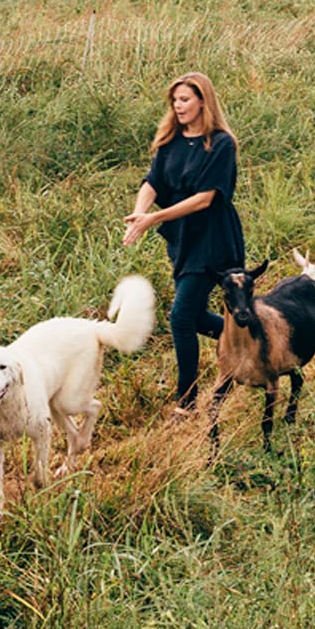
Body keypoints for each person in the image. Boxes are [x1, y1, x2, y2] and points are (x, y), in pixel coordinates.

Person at [123, 72, 245, 415]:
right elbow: (153, 183)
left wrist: (154, 220)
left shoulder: (220, 144)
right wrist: (139, 214)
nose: (178, 106)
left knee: (180, 317)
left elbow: (205, 198)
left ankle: (187, 403)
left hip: (214, 241)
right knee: (190, 318)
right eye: (175, 100)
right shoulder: (170, 142)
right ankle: (248, 334)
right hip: (183, 241)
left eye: (185, 99)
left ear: (203, 101)